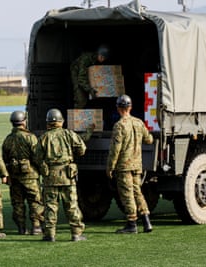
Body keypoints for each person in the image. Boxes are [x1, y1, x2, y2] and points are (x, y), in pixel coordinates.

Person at [36, 109, 87, 242]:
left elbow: (37, 157)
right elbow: (82, 149)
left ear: (48, 123)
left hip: (50, 177)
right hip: (67, 176)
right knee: (71, 205)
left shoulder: (43, 138)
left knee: (50, 207)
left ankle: (50, 234)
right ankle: (76, 234)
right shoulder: (69, 134)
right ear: (61, 121)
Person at [106, 94, 154, 234]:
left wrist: (110, 167)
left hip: (124, 166)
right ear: (130, 107)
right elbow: (149, 139)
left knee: (127, 195)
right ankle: (146, 221)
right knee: (137, 192)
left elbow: (115, 150)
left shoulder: (119, 126)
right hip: (137, 165)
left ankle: (132, 223)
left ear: (118, 109)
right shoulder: (139, 123)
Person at [2, 111, 44, 235]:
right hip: (30, 175)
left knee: (17, 203)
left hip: (15, 176)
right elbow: (37, 156)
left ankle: (21, 227)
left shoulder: (8, 139)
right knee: (35, 201)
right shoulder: (30, 137)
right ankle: (36, 227)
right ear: (24, 121)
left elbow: (5, 158)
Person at [70, 44, 110, 108]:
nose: (102, 60)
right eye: (102, 57)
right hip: (77, 74)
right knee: (81, 99)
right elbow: (81, 79)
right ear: (98, 54)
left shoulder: (96, 61)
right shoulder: (86, 59)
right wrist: (90, 90)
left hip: (86, 77)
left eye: (104, 58)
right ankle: (77, 116)